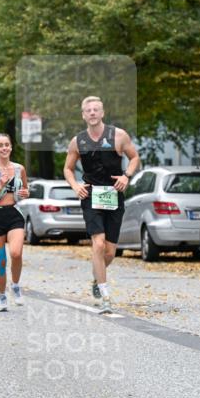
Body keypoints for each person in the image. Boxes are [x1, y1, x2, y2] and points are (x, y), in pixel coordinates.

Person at [63, 96, 140, 313]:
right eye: (89, 110)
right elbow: (68, 168)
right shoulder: (77, 141)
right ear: (83, 115)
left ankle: (97, 278)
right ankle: (105, 295)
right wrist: (74, 185)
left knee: (109, 253)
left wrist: (126, 176)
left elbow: (134, 158)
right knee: (97, 244)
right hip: (91, 196)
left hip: (114, 194)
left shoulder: (118, 135)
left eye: (96, 109)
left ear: (102, 113)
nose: (93, 113)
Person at [0, 133, 30, 311]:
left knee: (16, 253)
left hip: (14, 214)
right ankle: (2, 296)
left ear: (11, 147)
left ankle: (15, 285)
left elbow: (25, 189)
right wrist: (0, 185)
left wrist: (25, 193)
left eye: (7, 145)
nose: (4, 148)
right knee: (1, 261)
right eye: (0, 145)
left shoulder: (19, 169)